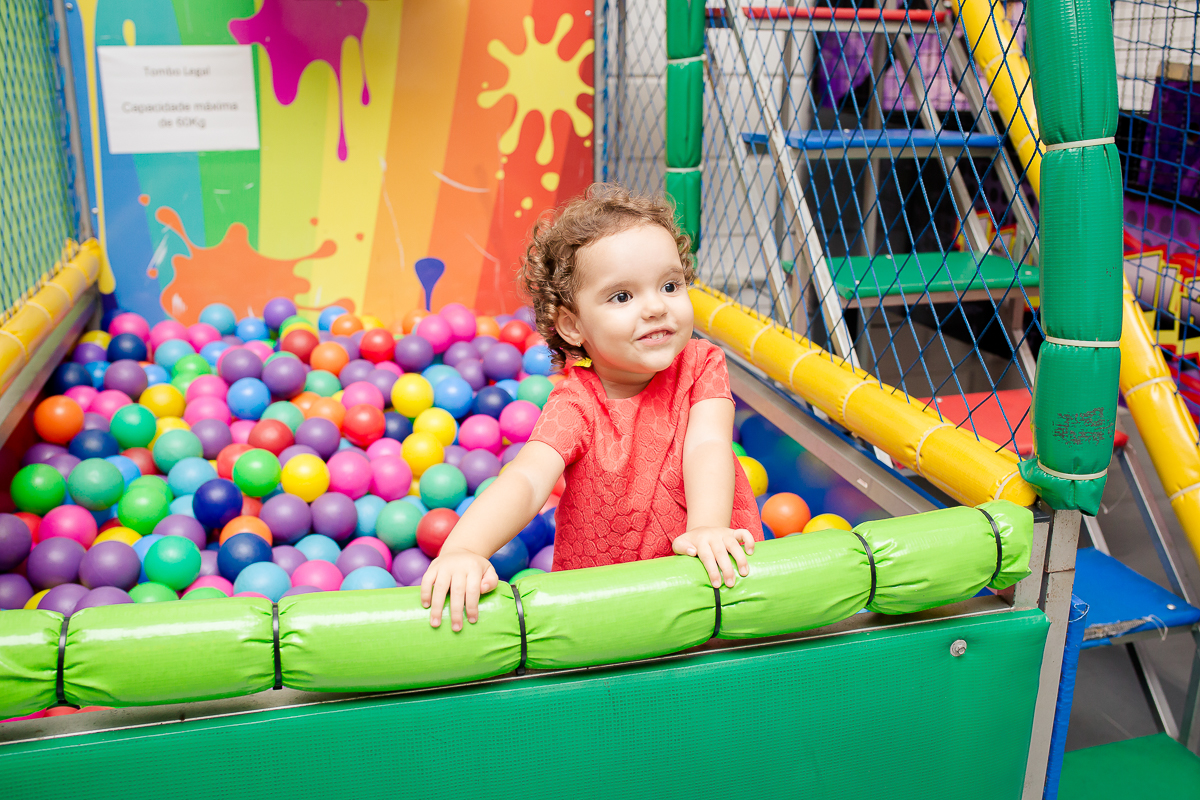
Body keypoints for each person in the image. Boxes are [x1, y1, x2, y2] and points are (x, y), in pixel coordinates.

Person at [421, 183, 764, 630]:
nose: (656, 307)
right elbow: (527, 479)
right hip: (607, 601)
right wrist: (464, 549)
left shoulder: (701, 366)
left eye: (670, 285)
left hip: (707, 573)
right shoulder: (577, 404)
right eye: (622, 296)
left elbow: (708, 446)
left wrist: (706, 529)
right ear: (572, 325)